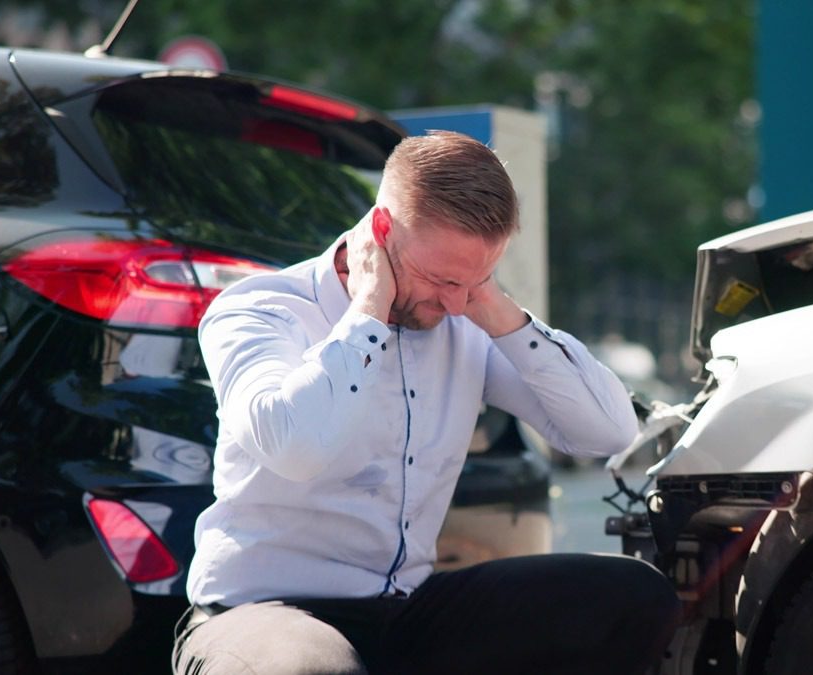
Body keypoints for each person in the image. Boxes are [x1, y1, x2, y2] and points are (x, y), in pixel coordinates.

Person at [172, 131, 681, 674]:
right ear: (382, 230)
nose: (456, 301)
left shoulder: (464, 317)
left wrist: (498, 309)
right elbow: (296, 447)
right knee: (314, 670)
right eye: (442, 279)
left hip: (406, 611)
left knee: (630, 597)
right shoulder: (259, 309)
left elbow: (606, 432)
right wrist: (368, 311)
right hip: (260, 614)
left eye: (477, 278)